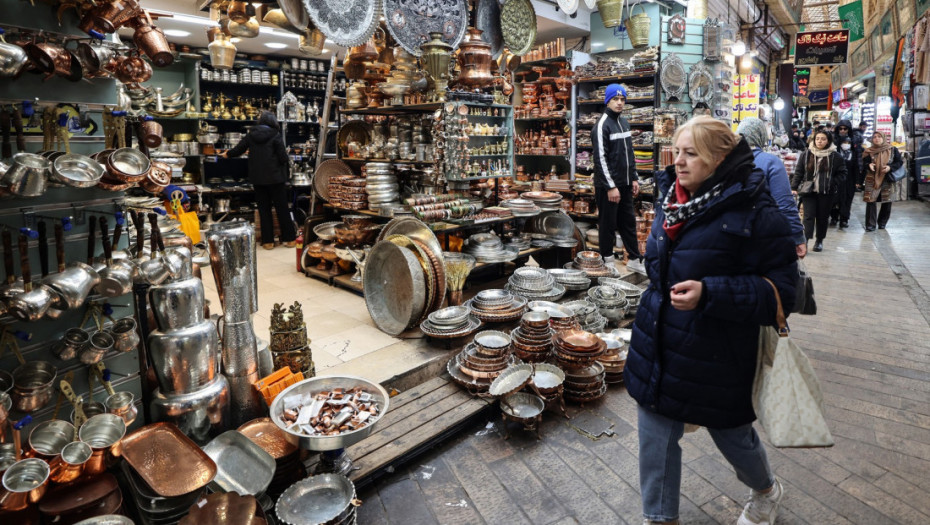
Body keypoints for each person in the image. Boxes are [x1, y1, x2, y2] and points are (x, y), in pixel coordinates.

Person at [625, 116, 797, 525]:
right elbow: (658, 263)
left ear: (720, 158)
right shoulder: (670, 195)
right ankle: (659, 517)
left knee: (731, 434)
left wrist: (711, 293)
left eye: (691, 154)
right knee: (655, 433)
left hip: (716, 347)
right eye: (677, 151)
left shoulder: (754, 206)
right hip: (658, 337)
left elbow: (782, 291)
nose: (678, 162)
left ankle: (766, 490)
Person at [223, 111, 297, 250]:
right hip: (276, 178)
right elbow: (283, 157)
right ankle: (290, 239)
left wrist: (227, 154)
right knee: (282, 209)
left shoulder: (251, 135)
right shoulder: (275, 135)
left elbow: (239, 149)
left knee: (264, 210)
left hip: (258, 179)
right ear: (273, 122)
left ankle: (268, 242)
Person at [592, 83, 644, 273]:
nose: (620, 103)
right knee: (607, 224)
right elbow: (600, 159)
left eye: (622, 99)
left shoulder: (624, 123)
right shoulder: (601, 125)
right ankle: (608, 262)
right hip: (608, 186)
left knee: (628, 222)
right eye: (615, 99)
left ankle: (635, 259)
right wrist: (610, 186)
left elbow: (629, 153)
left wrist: (634, 177)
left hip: (625, 183)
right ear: (607, 101)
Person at [737, 118, 807, 258]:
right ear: (761, 136)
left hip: (728, 237)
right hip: (761, 236)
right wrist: (797, 236)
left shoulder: (723, 160)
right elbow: (784, 203)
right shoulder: (770, 162)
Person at [790, 131, 847, 252]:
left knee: (822, 217)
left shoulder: (835, 156)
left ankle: (819, 240)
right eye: (817, 139)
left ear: (828, 141)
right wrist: (794, 187)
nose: (820, 141)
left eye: (823, 139)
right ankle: (805, 240)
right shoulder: (806, 154)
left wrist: (831, 181)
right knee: (808, 216)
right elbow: (799, 172)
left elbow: (843, 173)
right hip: (808, 191)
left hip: (826, 192)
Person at [861, 130, 903, 231]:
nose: (877, 139)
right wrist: (868, 165)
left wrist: (890, 167)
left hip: (887, 179)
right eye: (875, 137)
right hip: (872, 179)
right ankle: (870, 225)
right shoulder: (868, 151)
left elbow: (899, 162)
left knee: (887, 201)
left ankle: (882, 222)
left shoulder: (892, 149)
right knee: (871, 200)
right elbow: (863, 164)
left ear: (883, 138)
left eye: (879, 137)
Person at [830, 120, 860, 228]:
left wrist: (857, 180)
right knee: (834, 198)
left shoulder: (854, 149)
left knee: (847, 199)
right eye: (840, 128)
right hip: (836, 178)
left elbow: (857, 164)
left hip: (849, 179)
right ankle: (834, 217)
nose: (842, 131)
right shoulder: (833, 145)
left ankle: (844, 219)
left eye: (845, 129)